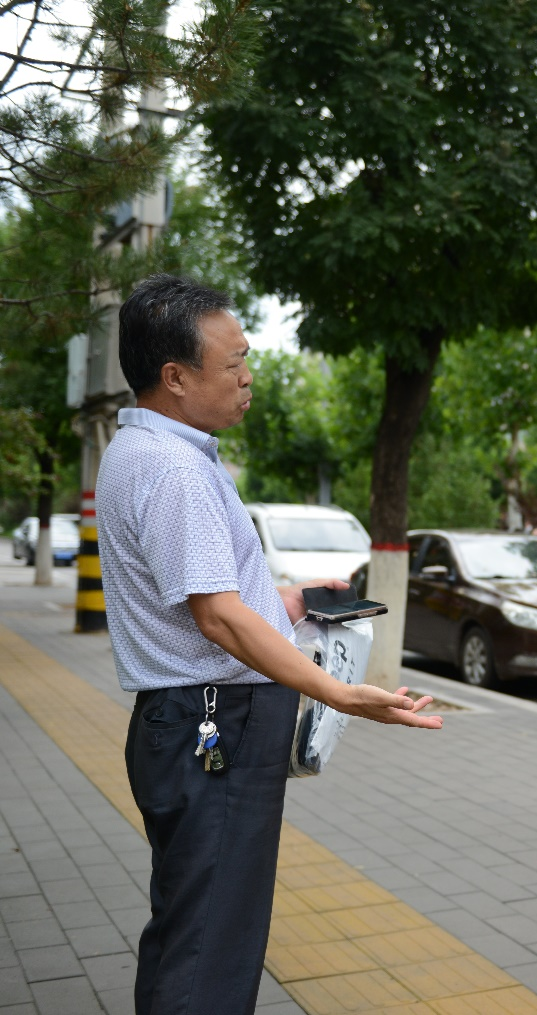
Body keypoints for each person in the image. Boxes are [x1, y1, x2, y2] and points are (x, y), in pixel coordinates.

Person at [95, 274, 444, 1015]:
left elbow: (204, 597)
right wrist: (340, 691)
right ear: (177, 377)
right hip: (212, 723)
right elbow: (218, 619)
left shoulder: (140, 448)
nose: (249, 375)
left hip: (185, 721)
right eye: (234, 362)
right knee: (210, 948)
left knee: (191, 926)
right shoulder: (175, 467)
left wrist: (278, 600)